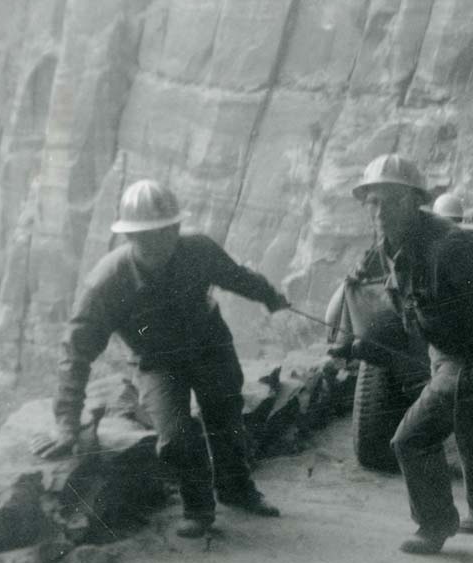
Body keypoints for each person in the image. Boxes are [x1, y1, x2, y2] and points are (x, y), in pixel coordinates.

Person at [32, 179, 290, 539]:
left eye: (163, 232)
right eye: (144, 235)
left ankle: (238, 491)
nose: (155, 242)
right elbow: (76, 353)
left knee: (226, 416)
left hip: (210, 348)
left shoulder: (198, 250)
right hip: (157, 362)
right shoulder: (106, 284)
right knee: (175, 436)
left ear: (176, 228)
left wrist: (270, 296)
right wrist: (66, 422)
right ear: (128, 238)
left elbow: (236, 278)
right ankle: (198, 508)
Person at [353, 153, 473, 555]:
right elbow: (383, 265)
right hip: (442, 346)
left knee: (410, 438)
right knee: (470, 428)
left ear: (415, 202)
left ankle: (433, 525)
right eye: (373, 201)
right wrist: (361, 273)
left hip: (470, 354)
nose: (379, 211)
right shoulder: (391, 238)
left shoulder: (448, 248)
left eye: (390, 201)